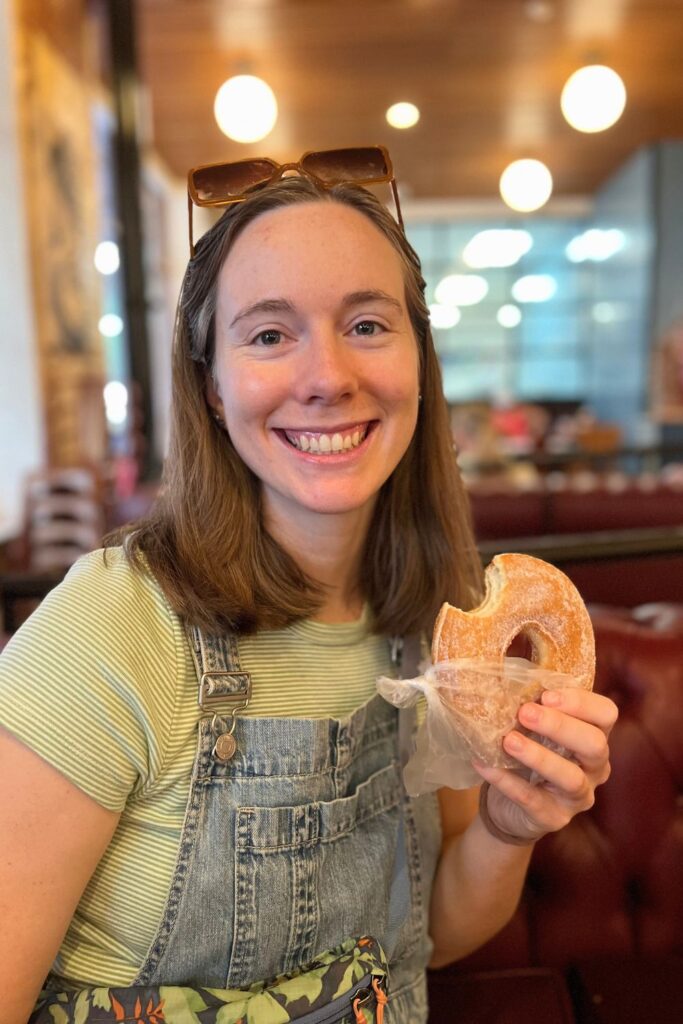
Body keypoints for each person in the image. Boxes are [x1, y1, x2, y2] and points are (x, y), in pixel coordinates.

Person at [0, 148, 617, 1024]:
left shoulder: (433, 619)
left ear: (417, 359)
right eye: (267, 334)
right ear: (211, 385)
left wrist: (507, 829)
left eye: (367, 325)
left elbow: (432, 937)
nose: (328, 377)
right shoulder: (109, 624)